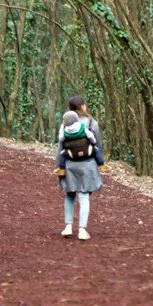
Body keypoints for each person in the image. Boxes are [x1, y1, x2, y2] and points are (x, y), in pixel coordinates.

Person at [56, 96, 105, 240]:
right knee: (84, 196)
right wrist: (100, 162)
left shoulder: (65, 124)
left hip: (70, 164)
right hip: (88, 164)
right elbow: (98, 144)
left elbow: (60, 147)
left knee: (70, 195)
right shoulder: (91, 122)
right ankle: (82, 229)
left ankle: (68, 227)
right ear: (82, 107)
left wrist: (59, 167)